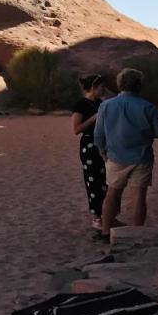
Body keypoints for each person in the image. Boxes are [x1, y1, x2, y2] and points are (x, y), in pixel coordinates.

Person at [94, 68, 158, 237]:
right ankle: (136, 234)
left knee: (112, 192)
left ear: (120, 84)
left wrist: (101, 151)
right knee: (139, 196)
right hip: (142, 156)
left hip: (114, 156)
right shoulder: (147, 107)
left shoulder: (106, 105)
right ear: (139, 86)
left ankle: (106, 231)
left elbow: (98, 134)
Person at [71, 75, 109, 231]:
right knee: (93, 180)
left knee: (105, 180)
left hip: (103, 145)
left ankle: (106, 214)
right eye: (101, 87)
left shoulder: (100, 103)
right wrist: (95, 117)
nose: (104, 90)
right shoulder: (81, 104)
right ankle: (96, 217)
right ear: (93, 87)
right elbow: (76, 129)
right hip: (89, 145)